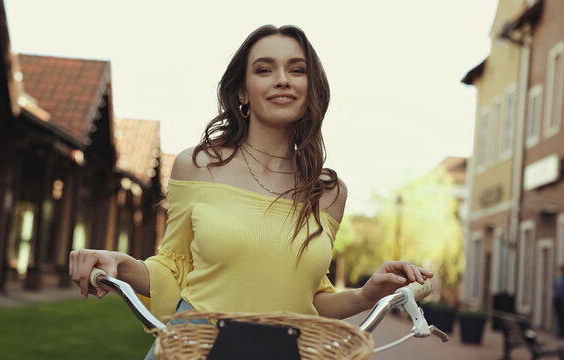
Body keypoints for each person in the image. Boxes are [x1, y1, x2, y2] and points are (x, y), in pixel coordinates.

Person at [69, 24, 432, 358]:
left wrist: (368, 295)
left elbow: (308, 296)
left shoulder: (330, 193)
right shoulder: (196, 166)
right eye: (264, 69)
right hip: (196, 351)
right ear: (242, 91)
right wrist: (118, 262)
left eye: (296, 69)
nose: (282, 80)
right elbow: (174, 268)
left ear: (311, 88)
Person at [554, 264, 564, 338]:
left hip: (562, 301)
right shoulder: (559, 279)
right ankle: (560, 333)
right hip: (557, 300)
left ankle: (562, 333)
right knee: (559, 317)